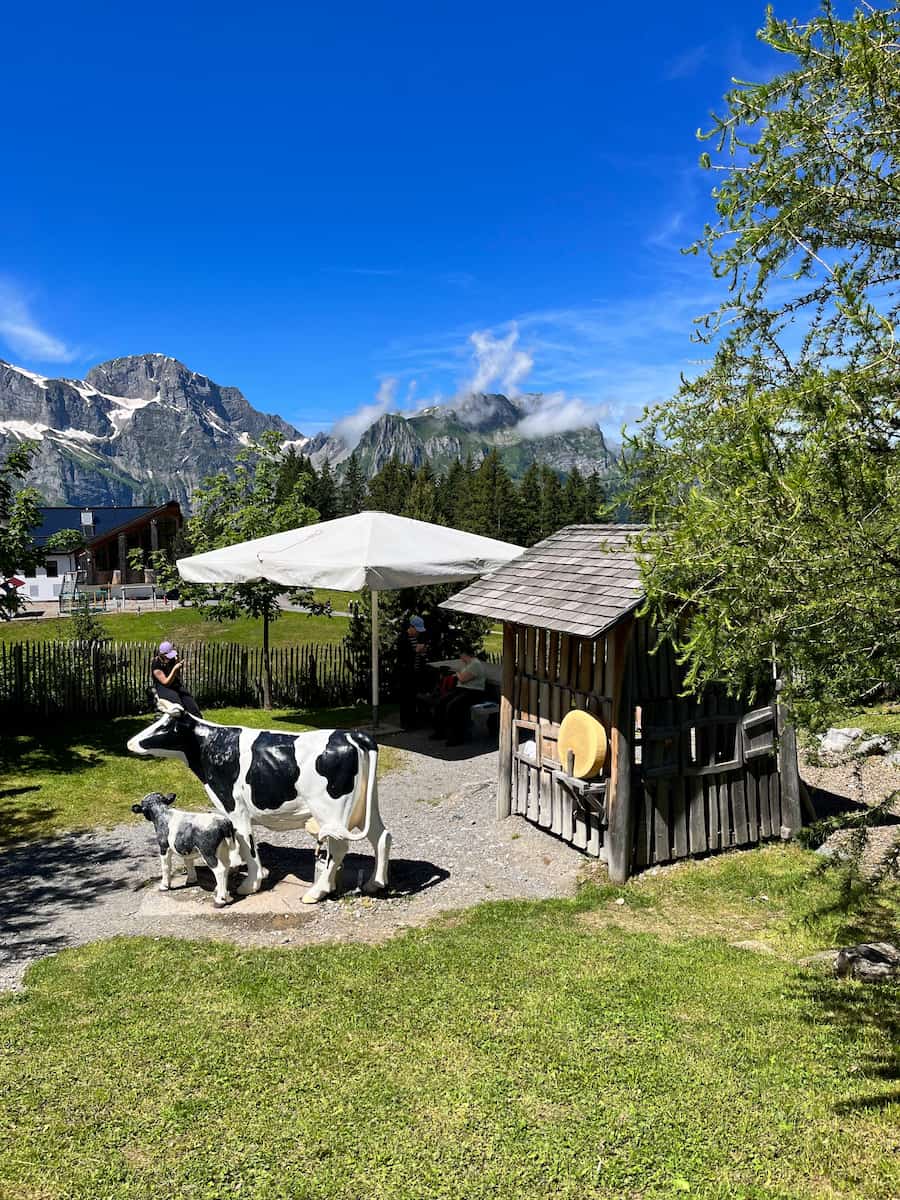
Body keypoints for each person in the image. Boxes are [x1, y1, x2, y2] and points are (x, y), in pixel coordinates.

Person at [432, 647, 486, 746]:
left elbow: (463, 679)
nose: (460, 657)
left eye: (461, 655)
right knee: (441, 702)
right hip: (461, 689)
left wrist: (456, 673)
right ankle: (440, 732)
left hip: (473, 692)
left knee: (453, 706)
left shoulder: (475, 664)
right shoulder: (467, 664)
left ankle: (456, 737)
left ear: (465, 654)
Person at [151, 640, 202, 717]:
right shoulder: (156, 664)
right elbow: (166, 682)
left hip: (175, 685)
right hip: (164, 688)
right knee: (178, 706)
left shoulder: (172, 659)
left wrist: (176, 664)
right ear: (162, 655)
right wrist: (175, 669)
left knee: (190, 703)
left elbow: (177, 676)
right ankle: (181, 720)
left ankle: (197, 718)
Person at [396, 615, 429, 729]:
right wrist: (415, 651)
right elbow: (402, 657)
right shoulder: (403, 639)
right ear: (411, 627)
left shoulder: (418, 638)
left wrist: (423, 652)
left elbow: (420, 655)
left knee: (413, 698)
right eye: (417, 630)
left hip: (415, 672)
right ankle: (405, 722)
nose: (418, 633)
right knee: (406, 698)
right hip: (405, 673)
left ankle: (412, 721)